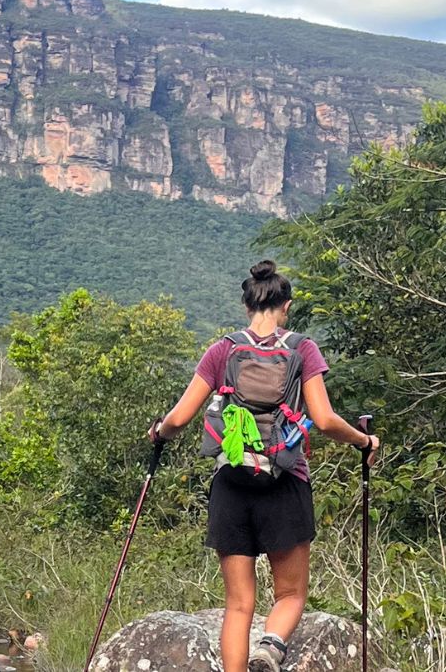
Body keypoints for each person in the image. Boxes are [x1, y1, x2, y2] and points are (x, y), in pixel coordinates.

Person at [149, 261, 379, 672]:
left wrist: (158, 434)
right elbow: (324, 420)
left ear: (246, 305)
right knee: (290, 595)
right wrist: (364, 441)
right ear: (286, 306)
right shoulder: (302, 349)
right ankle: (270, 645)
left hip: (231, 484)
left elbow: (179, 418)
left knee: (238, 605)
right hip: (285, 482)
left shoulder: (223, 350)